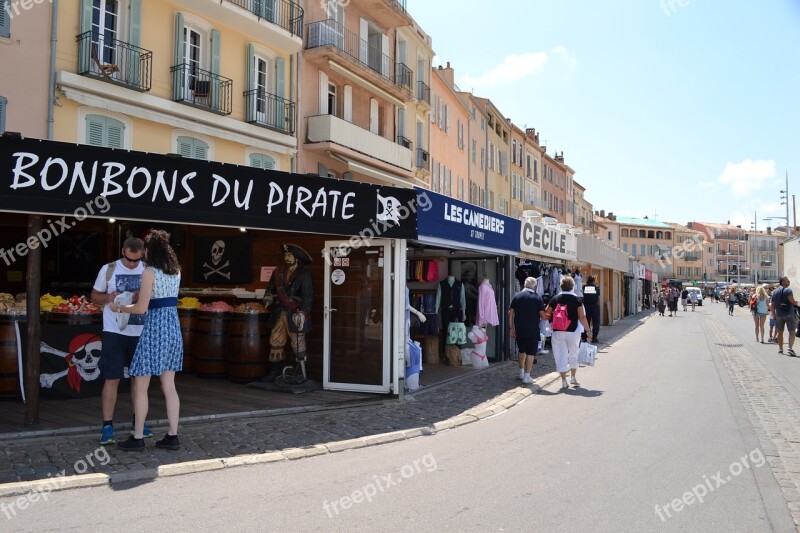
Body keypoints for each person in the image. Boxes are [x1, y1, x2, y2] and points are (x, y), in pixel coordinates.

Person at [111, 230, 183, 451]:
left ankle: (138, 437)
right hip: (173, 329)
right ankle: (172, 435)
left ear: (150, 251)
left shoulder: (149, 272)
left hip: (154, 330)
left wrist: (119, 307)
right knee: (169, 386)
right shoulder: (177, 271)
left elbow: (141, 308)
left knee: (141, 386)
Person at [90, 237, 153, 445]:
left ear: (142, 254)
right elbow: (94, 296)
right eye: (129, 260)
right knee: (112, 378)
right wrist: (108, 298)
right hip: (114, 331)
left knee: (139, 380)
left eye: (136, 260)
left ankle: (139, 422)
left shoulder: (149, 270)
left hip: (141, 331)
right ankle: (107, 426)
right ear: (122, 252)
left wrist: (141, 296)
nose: (133, 264)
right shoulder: (108, 269)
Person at [263, 244, 314, 383]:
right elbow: (270, 290)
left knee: (298, 343)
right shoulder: (277, 272)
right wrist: (268, 298)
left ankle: (301, 373)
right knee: (275, 342)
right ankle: (275, 373)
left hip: (295, 313)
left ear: (297, 258)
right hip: (279, 312)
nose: (287, 257)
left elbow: (308, 297)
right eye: (285, 255)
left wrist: (303, 313)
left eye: (290, 255)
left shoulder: (304, 274)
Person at [544, 275, 592, 390]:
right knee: (574, 352)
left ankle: (563, 380)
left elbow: (546, 314)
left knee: (560, 354)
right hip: (573, 331)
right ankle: (573, 377)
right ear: (572, 286)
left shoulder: (555, 298)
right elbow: (582, 317)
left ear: (561, 286)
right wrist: (588, 331)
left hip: (557, 331)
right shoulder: (577, 299)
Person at [508, 277, 548, 384]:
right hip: (532, 330)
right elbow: (543, 316)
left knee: (521, 350)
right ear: (535, 287)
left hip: (519, 329)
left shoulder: (517, 296)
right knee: (530, 353)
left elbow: (511, 313)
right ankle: (527, 376)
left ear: (524, 285)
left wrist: (511, 328)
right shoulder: (537, 298)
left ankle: (521, 372)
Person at [771, 277, 798, 356]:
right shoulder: (788, 290)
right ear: (783, 282)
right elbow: (791, 301)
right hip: (789, 314)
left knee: (780, 332)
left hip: (779, 314)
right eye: (787, 280)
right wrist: (795, 303)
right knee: (792, 332)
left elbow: (772, 304)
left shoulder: (774, 292)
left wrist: (773, 314)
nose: (789, 281)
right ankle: (790, 348)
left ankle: (780, 349)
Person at [582, 275, 601, 343]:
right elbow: (598, 298)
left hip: (586, 306)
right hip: (594, 306)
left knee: (586, 321)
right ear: (593, 280)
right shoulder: (596, 288)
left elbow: (582, 297)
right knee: (596, 322)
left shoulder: (584, 287)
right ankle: (594, 337)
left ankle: (584, 336)